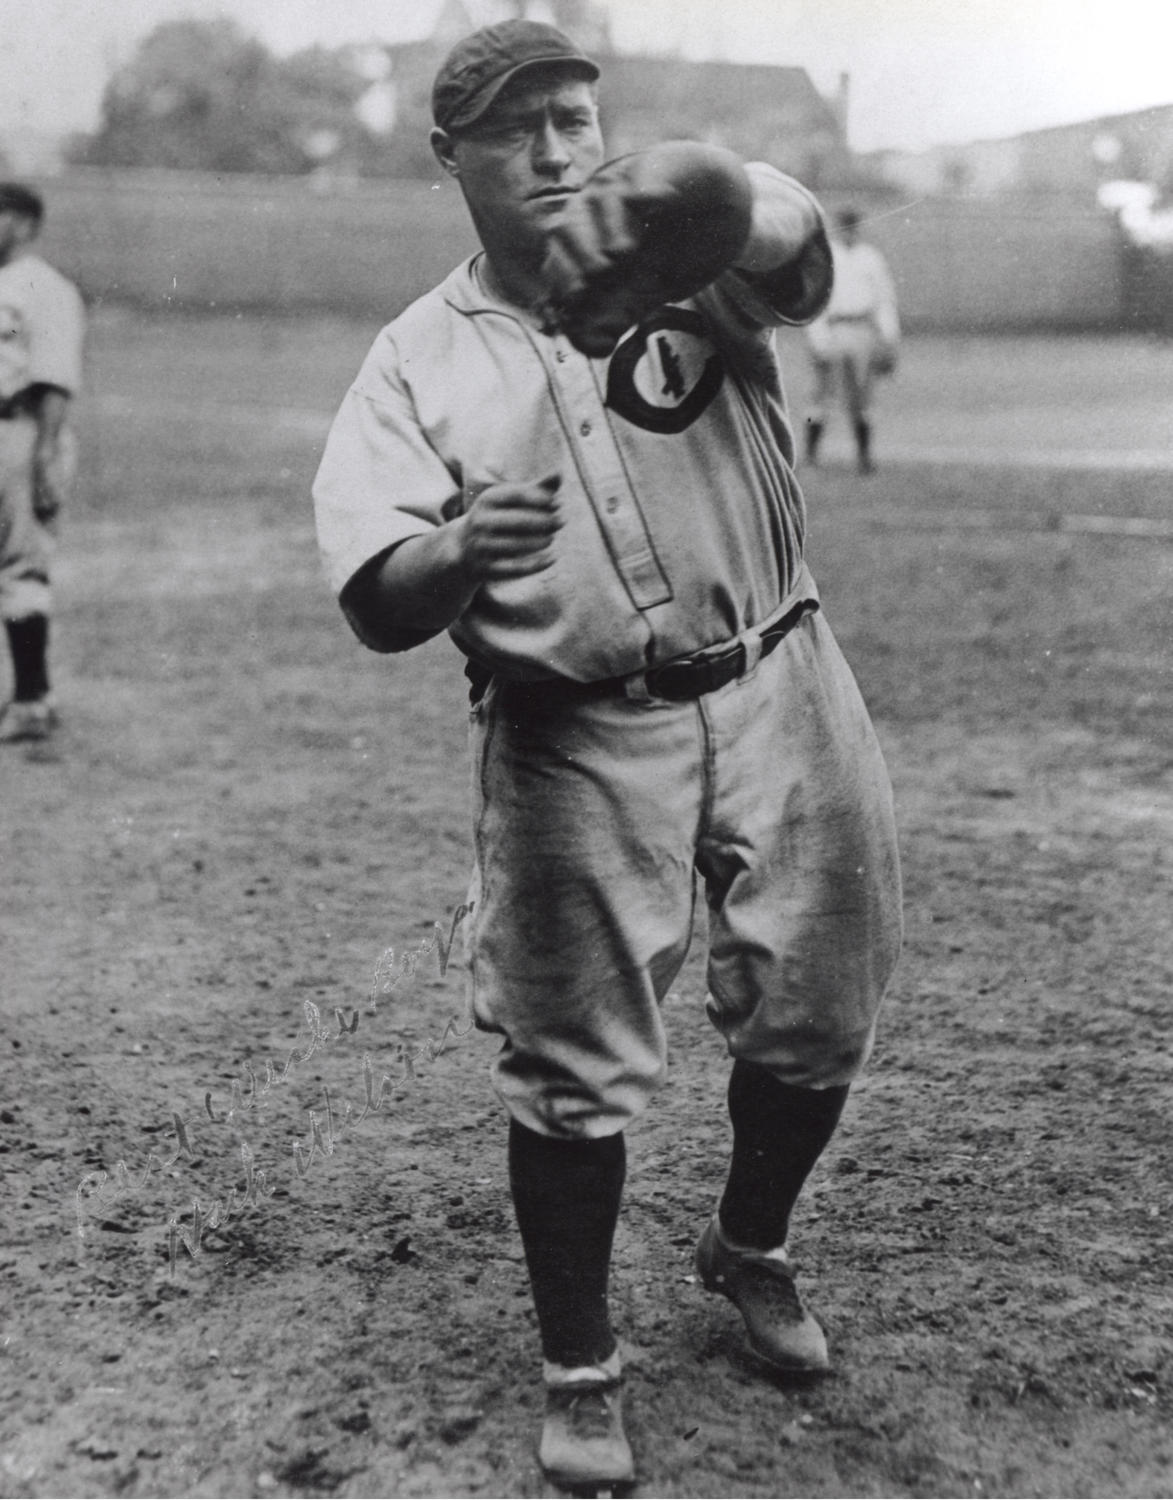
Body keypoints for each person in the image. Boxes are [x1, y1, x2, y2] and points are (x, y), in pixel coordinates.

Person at [313, 21, 902, 1492]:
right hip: (573, 732)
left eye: (577, 115)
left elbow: (799, 258)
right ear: (453, 159)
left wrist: (728, 198)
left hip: (779, 671)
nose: (560, 146)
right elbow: (379, 602)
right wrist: (452, 551)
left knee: (819, 1015)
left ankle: (748, 1247)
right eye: (518, 127)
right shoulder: (413, 361)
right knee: (572, 1072)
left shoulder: (685, 250)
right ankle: (580, 1364)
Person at [0, 182, 85, 743]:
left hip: (22, 430)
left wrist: (46, 454)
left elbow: (53, 378)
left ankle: (33, 699)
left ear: (26, 224)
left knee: (21, 564)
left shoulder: (43, 287)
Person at [803, 206, 899, 473]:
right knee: (820, 396)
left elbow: (884, 300)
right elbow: (815, 301)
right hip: (833, 329)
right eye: (845, 225)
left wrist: (888, 337)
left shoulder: (871, 258)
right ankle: (811, 455)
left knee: (862, 397)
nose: (850, 231)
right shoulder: (826, 256)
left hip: (861, 329)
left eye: (854, 226)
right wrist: (817, 337)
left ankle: (864, 456)